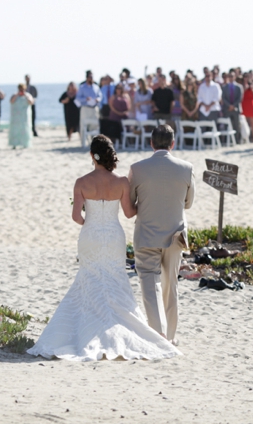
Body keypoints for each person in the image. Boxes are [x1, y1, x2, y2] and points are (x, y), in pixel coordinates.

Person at [27, 135, 179, 361]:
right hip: (114, 235)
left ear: (92, 156)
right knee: (115, 278)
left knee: (89, 277)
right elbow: (129, 213)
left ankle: (87, 328)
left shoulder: (81, 182)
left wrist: (91, 224)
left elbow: (76, 216)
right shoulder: (120, 182)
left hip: (90, 237)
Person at [129, 125, 194, 346]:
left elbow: (130, 205)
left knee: (149, 284)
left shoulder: (137, 169)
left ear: (151, 143)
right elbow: (189, 203)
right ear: (173, 143)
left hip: (146, 234)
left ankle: (158, 334)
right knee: (170, 285)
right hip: (175, 236)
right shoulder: (186, 168)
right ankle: (172, 335)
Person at [75, 70, 102, 149]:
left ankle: (95, 143)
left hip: (94, 108)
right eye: (90, 77)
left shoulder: (96, 87)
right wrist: (85, 99)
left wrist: (98, 99)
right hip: (85, 108)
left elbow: (100, 96)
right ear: (87, 78)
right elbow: (78, 98)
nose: (91, 78)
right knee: (84, 126)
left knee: (95, 126)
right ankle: (83, 143)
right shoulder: (82, 87)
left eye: (92, 77)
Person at [9, 83, 35, 149]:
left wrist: (26, 96)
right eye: (20, 89)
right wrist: (17, 94)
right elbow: (11, 101)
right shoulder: (15, 95)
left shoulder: (28, 95)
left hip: (25, 117)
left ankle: (25, 143)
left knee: (25, 130)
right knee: (15, 130)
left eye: (22, 89)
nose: (21, 90)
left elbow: (31, 102)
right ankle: (14, 144)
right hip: (16, 118)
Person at [220, 72, 243, 143]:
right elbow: (223, 98)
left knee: (236, 125)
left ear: (235, 77)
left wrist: (233, 106)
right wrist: (229, 106)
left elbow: (240, 98)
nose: (231, 78)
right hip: (227, 109)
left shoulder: (239, 87)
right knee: (227, 126)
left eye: (232, 76)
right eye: (229, 76)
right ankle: (228, 140)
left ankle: (237, 140)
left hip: (236, 109)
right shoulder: (224, 87)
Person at [241, 74, 253, 142]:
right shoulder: (242, 85)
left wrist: (251, 88)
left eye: (247, 76)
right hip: (244, 104)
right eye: (244, 76)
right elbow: (241, 93)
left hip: (251, 104)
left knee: (252, 123)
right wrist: (245, 88)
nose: (246, 78)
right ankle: (245, 138)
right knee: (244, 122)